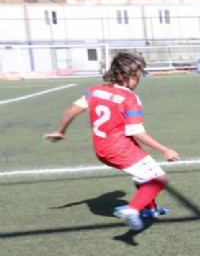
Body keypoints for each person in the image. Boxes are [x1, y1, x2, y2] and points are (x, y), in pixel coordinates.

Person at [42, 53, 179, 231]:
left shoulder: (95, 90)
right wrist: (165, 150)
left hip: (102, 149)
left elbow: (71, 111)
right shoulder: (130, 98)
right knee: (159, 179)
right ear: (130, 75)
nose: (139, 80)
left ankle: (149, 209)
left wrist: (60, 131)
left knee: (142, 175)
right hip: (121, 148)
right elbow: (137, 132)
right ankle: (133, 210)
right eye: (138, 76)